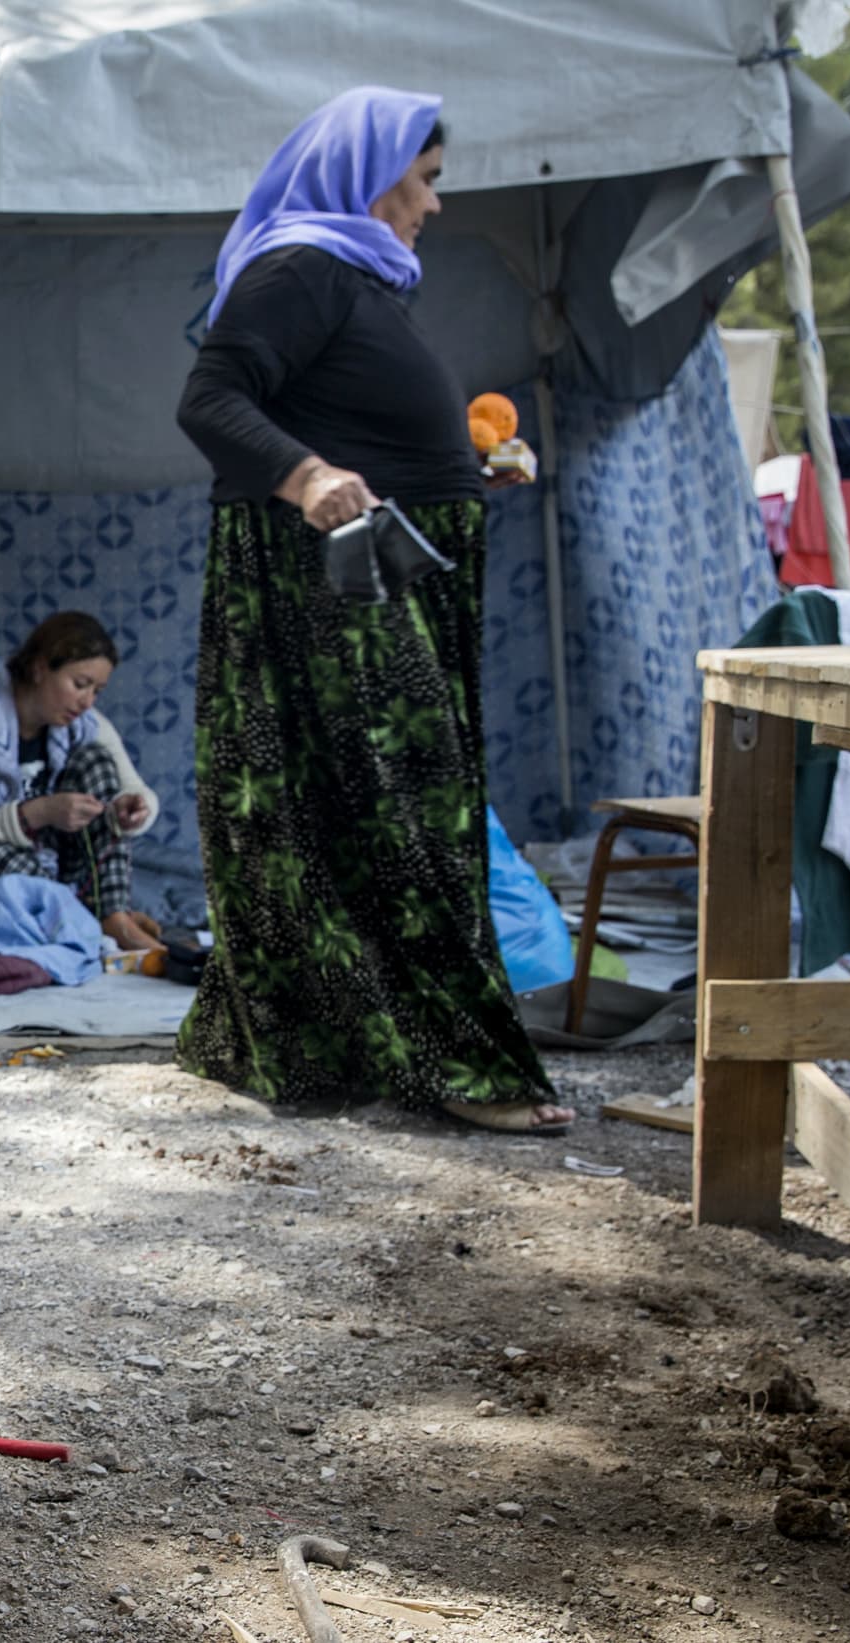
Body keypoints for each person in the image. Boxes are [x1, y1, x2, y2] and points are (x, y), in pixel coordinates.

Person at [171, 85, 567, 1134]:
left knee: (369, 816)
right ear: (365, 171)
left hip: (385, 584)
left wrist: (465, 473)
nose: (433, 204)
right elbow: (209, 401)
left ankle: (353, 1041)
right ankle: (456, 1062)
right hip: (337, 600)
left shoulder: (353, 277)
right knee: (403, 813)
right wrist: (305, 477)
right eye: (424, 180)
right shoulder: (297, 267)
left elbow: (360, 418)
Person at [0, 611, 165, 955]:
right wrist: (38, 812)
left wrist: (132, 809)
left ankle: (113, 914)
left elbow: (137, 790)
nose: (87, 701)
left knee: (96, 761)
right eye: (80, 684)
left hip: (52, 861)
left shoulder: (86, 724)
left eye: (97, 691)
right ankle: (84, 916)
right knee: (13, 866)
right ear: (40, 668)